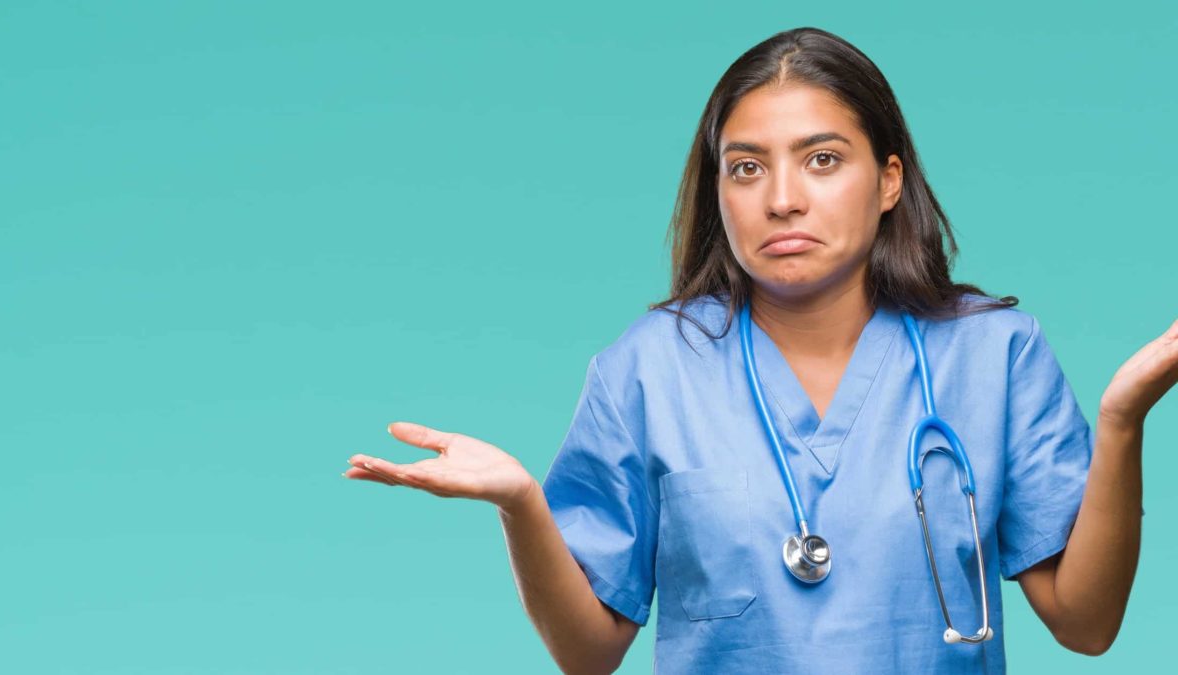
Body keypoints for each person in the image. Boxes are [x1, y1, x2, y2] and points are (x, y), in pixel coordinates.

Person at [343, 27, 1176, 674]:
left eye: (822, 160)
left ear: (888, 180)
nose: (781, 199)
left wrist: (1122, 420)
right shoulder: (649, 368)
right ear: (719, 191)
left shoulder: (994, 355)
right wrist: (522, 503)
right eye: (746, 168)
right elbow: (588, 653)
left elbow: (1087, 623)